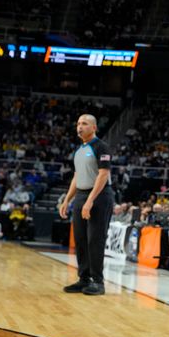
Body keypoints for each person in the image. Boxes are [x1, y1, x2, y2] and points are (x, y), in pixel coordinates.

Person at [59, 114, 115, 296]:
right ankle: (84, 278)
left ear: (94, 128)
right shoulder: (79, 150)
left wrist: (90, 201)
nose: (80, 127)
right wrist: (67, 199)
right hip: (81, 196)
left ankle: (98, 282)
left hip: (99, 196)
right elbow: (77, 176)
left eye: (84, 124)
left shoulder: (101, 147)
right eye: (78, 124)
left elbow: (103, 175)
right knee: (81, 239)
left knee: (95, 240)